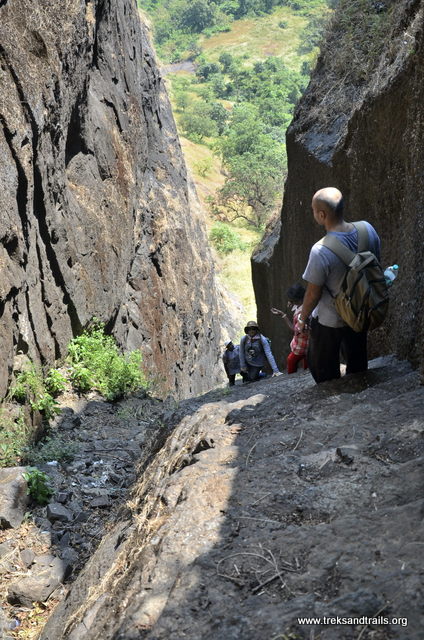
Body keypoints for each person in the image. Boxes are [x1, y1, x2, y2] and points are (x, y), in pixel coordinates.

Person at [300, 187, 381, 383]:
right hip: (361, 311)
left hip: (331, 320)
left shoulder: (320, 251)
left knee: (324, 368)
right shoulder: (366, 229)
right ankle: (360, 389)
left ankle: (332, 402)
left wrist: (302, 318)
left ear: (322, 214)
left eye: (313, 210)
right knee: (357, 361)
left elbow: (312, 294)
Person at [271, 284, 309, 374]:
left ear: (296, 300)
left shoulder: (301, 313)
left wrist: (283, 316)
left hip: (302, 344)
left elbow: (294, 329)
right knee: (307, 360)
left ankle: (291, 376)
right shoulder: (306, 304)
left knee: (291, 360)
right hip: (307, 343)